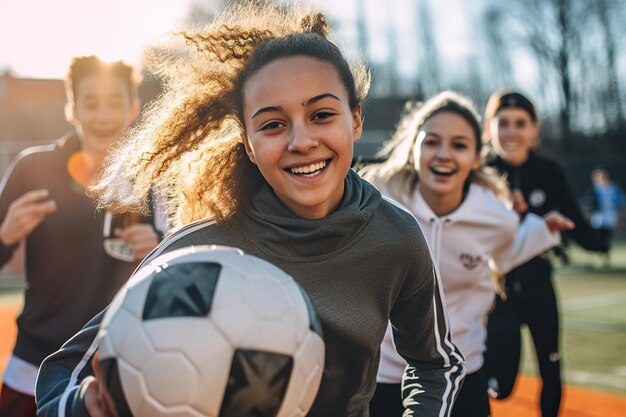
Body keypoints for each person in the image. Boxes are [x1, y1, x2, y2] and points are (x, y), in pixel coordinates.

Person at [35, 4, 465, 417]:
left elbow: (436, 364)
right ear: (249, 145)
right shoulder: (198, 250)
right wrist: (82, 405)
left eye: (321, 114)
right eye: (273, 124)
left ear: (355, 120)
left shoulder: (396, 236)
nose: (301, 141)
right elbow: (64, 372)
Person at [361, 91, 573, 417]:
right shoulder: (375, 199)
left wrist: (544, 230)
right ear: (413, 148)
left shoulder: (495, 217)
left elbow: (508, 252)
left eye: (459, 145)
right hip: (385, 375)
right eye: (431, 142)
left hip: (462, 375)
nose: (444, 154)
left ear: (476, 157)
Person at [0, 56, 161, 417]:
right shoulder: (32, 168)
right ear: (72, 110)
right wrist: (5, 235)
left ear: (133, 108)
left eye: (114, 103)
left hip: (119, 371)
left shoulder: (152, 178)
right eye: (90, 103)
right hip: (34, 367)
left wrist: (158, 251)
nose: (102, 115)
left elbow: (181, 270)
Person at [482, 90, 608, 417]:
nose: (512, 132)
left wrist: (597, 243)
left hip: (540, 288)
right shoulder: (480, 173)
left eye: (520, 123)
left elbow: (575, 221)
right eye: (504, 123)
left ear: (534, 129)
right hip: (497, 294)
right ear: (489, 128)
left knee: (551, 369)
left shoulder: (549, 171)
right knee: (500, 384)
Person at [587, 168, 625, 266]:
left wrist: (619, 213)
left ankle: (605, 255)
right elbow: (591, 203)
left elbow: (620, 201)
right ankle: (600, 254)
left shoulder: (613, 188)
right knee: (598, 237)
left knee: (606, 237)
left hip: (609, 216)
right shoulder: (594, 189)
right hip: (598, 217)